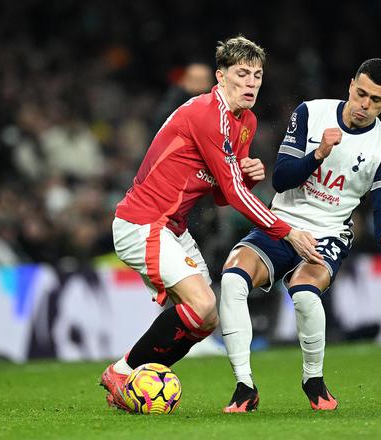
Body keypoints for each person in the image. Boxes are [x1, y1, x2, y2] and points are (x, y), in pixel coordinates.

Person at [100, 36, 323, 412]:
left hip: (173, 228)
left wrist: (246, 176)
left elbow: (222, 194)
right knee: (202, 303)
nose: (251, 83)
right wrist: (287, 231)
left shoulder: (246, 121)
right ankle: (122, 374)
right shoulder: (207, 114)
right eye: (242, 74)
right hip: (143, 222)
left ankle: (131, 379)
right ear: (220, 77)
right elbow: (233, 194)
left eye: (257, 75)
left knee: (205, 319)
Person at [219, 58, 381, 412]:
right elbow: (281, 179)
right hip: (283, 224)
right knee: (232, 280)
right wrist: (319, 153)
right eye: (361, 93)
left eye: (375, 100)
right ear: (350, 85)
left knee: (305, 294)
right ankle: (244, 386)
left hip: (329, 233)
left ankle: (313, 380)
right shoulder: (311, 113)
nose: (364, 105)